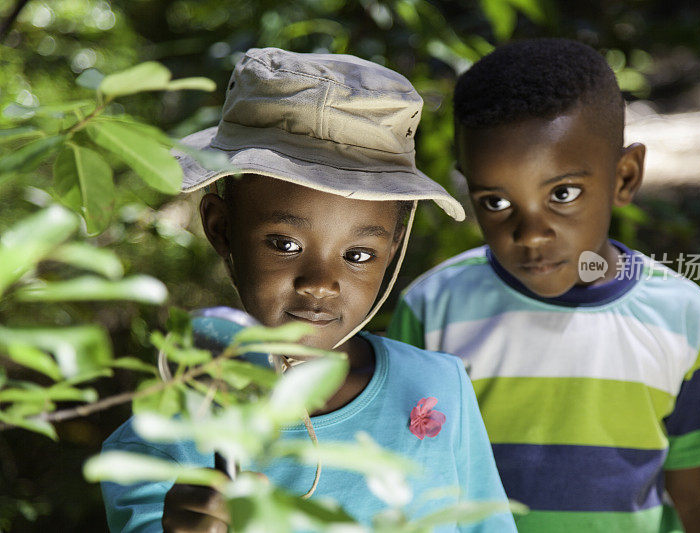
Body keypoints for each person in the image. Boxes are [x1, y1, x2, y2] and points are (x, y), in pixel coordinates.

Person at [101, 47, 516, 532]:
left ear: (394, 247)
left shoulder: (439, 388)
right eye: (285, 243)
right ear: (220, 228)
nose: (321, 283)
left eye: (359, 255)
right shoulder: (161, 442)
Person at [387, 38, 700, 533]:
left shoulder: (683, 315)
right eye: (495, 202)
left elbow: (693, 492)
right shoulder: (433, 308)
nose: (530, 233)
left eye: (563, 193)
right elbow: (408, 477)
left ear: (624, 177)